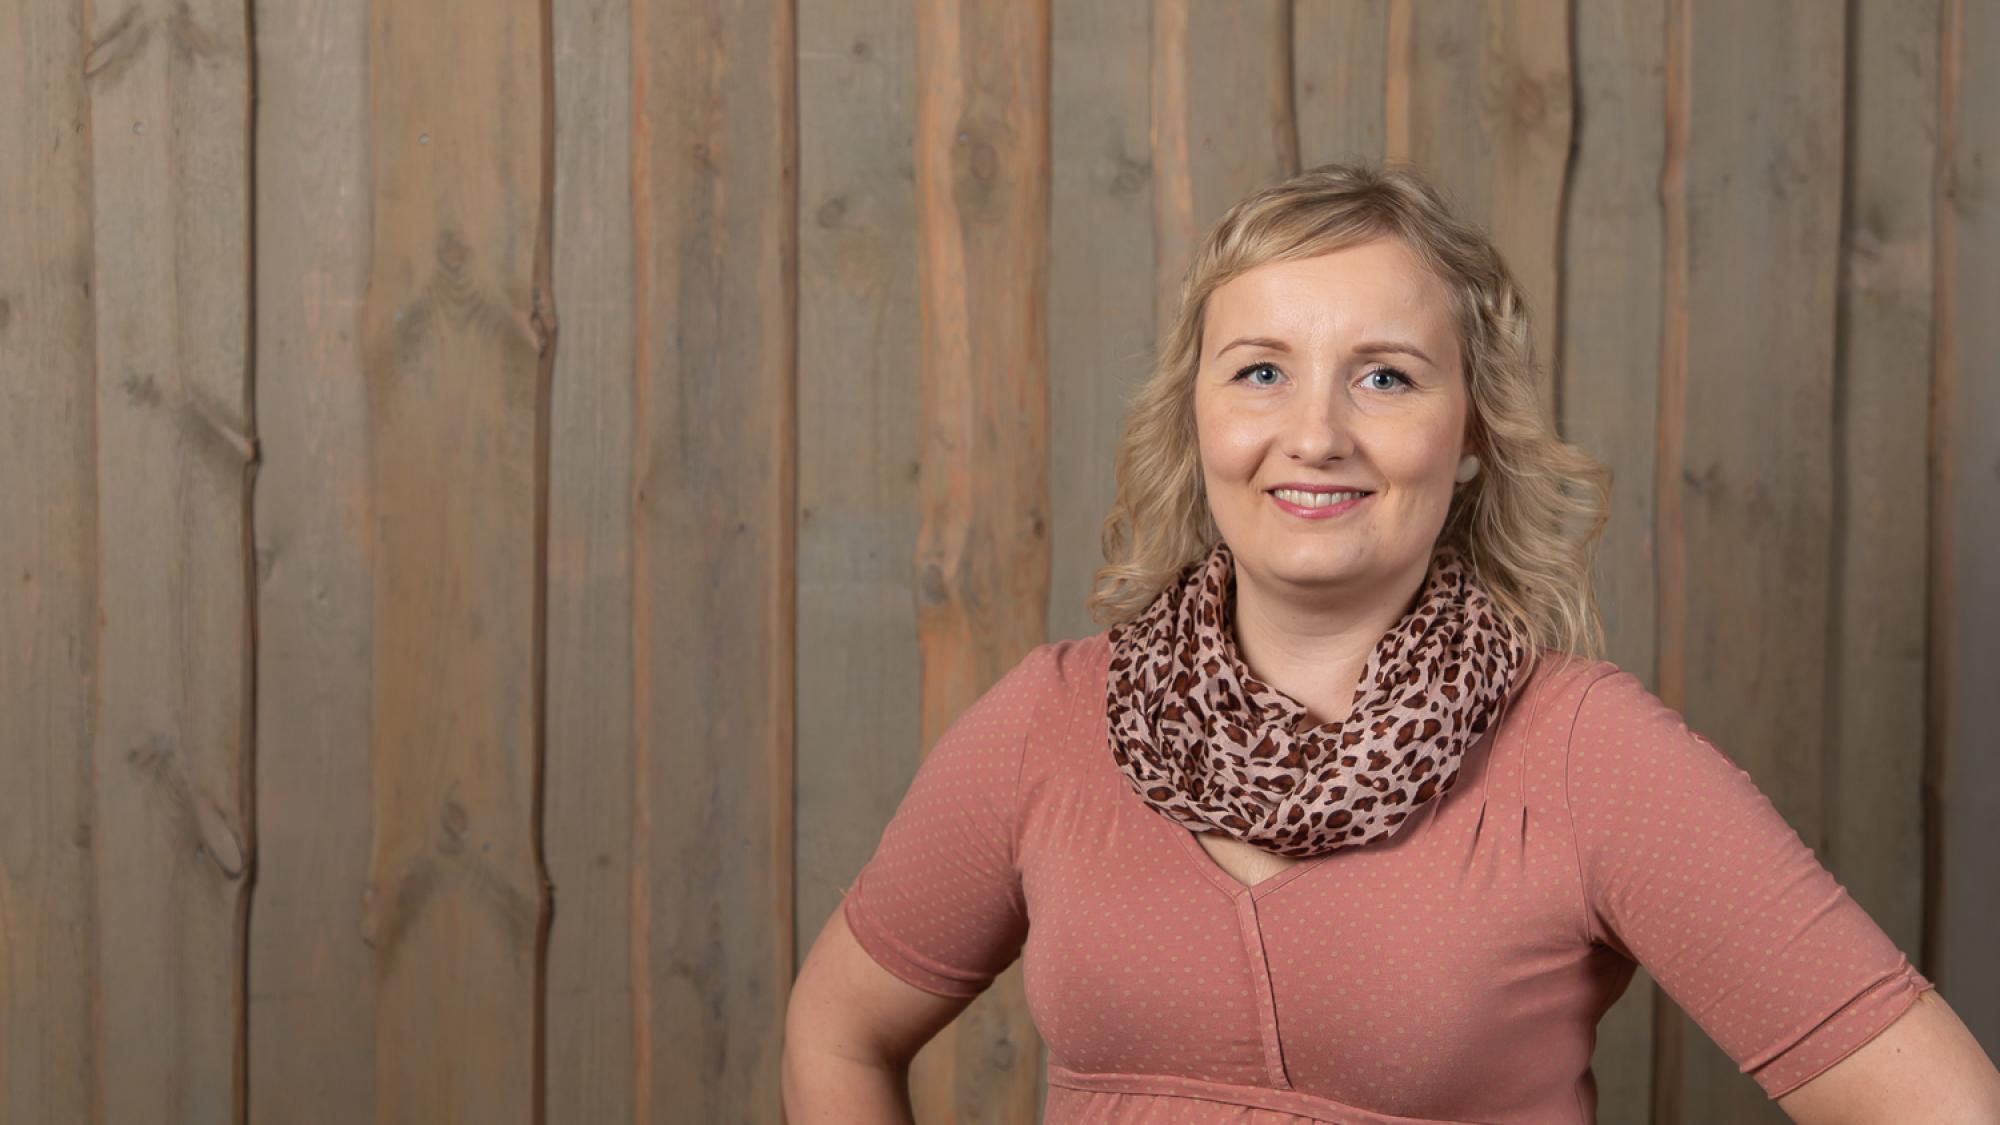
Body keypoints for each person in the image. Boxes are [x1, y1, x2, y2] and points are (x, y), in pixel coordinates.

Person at [781, 164, 2000, 1123]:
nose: (1313, 434)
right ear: (1195, 412)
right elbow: (836, 1034)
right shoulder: (1048, 722)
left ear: (1470, 428)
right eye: (1260, 371)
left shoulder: (1587, 756)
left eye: (1384, 379)